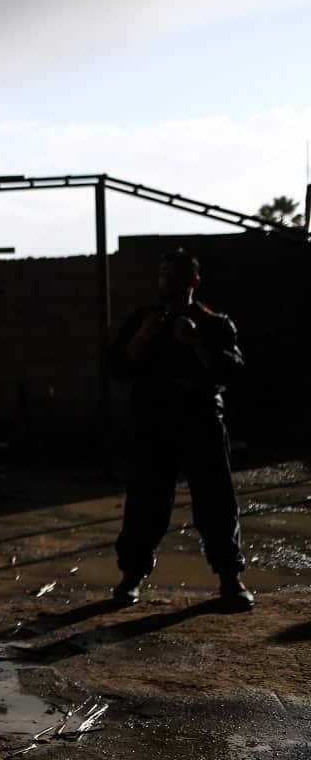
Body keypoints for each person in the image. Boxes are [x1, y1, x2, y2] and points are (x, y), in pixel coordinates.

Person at [107, 247, 253, 610]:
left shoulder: (214, 322)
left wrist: (196, 342)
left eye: (174, 274)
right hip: (153, 423)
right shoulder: (144, 319)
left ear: (194, 280)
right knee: (145, 501)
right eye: (163, 274)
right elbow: (117, 368)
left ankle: (230, 578)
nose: (166, 281)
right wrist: (141, 337)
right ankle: (131, 577)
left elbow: (231, 373)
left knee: (216, 501)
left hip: (201, 421)